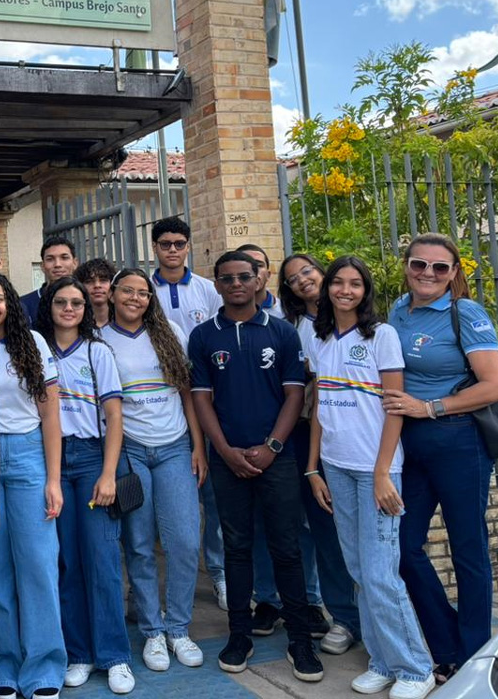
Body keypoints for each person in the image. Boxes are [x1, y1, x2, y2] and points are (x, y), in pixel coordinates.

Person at [188, 251, 323, 682]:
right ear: (217, 284)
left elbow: (295, 395)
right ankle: (239, 635)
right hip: (228, 459)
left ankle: (300, 639)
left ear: (258, 279)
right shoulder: (204, 336)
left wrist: (273, 446)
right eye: (226, 279)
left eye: (243, 276)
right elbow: (201, 398)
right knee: (237, 547)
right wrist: (224, 451)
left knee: (286, 547)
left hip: (276, 458)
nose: (235, 284)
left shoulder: (282, 332)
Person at [305, 256, 434, 699]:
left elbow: (394, 404)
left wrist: (383, 472)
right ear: (327, 290)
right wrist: (313, 467)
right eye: (337, 283)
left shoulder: (382, 335)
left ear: (366, 291)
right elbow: (320, 407)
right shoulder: (321, 338)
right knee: (360, 570)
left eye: (354, 284)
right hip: (336, 467)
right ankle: (383, 661)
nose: (345, 290)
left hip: (375, 468)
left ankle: (416, 668)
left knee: (381, 574)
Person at [384, 233, 498, 684]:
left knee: (468, 551)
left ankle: (473, 654)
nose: (429, 274)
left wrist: (429, 407)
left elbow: (496, 386)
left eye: (440, 268)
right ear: (407, 266)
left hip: (458, 442)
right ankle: (448, 643)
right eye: (420, 265)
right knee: (401, 546)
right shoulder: (398, 310)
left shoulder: (465, 313)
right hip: (410, 447)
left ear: (454, 273)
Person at [245, 249, 361, 654]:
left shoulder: (357, 322)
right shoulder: (288, 326)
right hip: (304, 432)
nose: (302, 280)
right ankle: (341, 615)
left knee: (358, 533)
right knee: (318, 525)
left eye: (307, 271)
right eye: (293, 278)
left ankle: (370, 615)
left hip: (354, 434)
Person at [0, 271, 67, 699]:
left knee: (39, 564)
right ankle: (2, 664)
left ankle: (44, 668)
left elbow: (50, 416)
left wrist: (54, 479)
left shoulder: (34, 344)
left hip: (26, 457)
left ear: (10, 303)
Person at [101, 268, 207, 673]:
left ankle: (179, 627)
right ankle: (153, 632)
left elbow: (186, 394)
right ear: (112, 295)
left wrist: (198, 446)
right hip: (130, 451)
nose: (135, 298)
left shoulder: (170, 334)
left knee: (183, 541)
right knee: (140, 545)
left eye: (143, 293)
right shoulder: (99, 341)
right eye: (127, 291)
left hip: (175, 447)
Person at [36, 277, 135, 695]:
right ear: (50, 306)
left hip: (93, 459)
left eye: (77, 302)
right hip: (53, 462)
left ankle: (115, 656)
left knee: (102, 561)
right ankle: (78, 654)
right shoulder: (36, 351)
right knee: (67, 563)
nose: (70, 308)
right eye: (61, 301)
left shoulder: (97, 352)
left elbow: (114, 417)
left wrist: (109, 473)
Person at [148, 216, 225, 610]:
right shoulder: (144, 291)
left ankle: (219, 572)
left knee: (212, 493)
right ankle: (147, 588)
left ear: (189, 246)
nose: (173, 250)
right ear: (155, 249)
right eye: (165, 244)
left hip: (205, 396)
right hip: (160, 403)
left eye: (179, 243)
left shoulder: (208, 290)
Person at [21, 236, 79, 323]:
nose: (57, 264)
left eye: (64, 258)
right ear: (42, 266)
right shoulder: (23, 304)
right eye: (50, 259)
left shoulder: (87, 301)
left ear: (75, 263)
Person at [238, 244, 284, 318]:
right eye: (245, 265)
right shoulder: (221, 317)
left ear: (268, 275)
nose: (253, 270)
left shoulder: (287, 314)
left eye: (259, 265)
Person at [76, 257, 115, 328]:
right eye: (89, 281)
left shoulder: (124, 321)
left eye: (103, 280)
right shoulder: (74, 324)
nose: (97, 285)